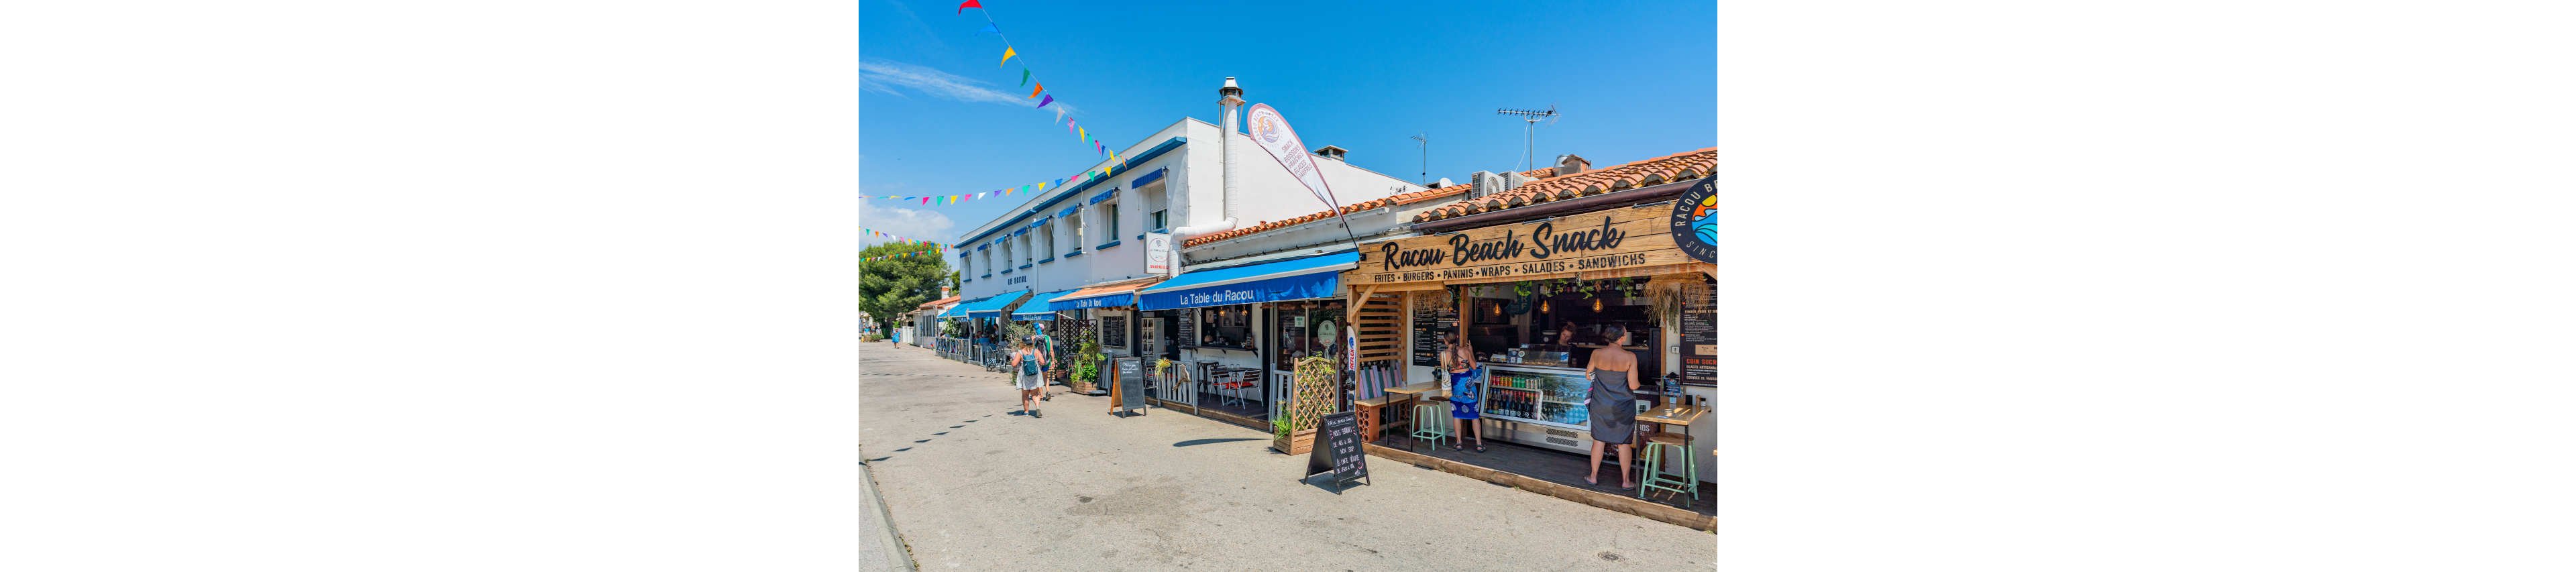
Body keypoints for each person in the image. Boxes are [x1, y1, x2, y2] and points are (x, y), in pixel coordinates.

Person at [1582, 325, 1641, 489]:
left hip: (1600, 405)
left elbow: (1588, 375)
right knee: (1623, 443)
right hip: (1622, 407)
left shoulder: (1597, 354)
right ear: (1622, 337)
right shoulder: (1630, 357)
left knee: (1599, 441)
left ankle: (1593, 477)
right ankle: (1626, 481)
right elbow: (1634, 385)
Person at [1440, 331, 1487, 453]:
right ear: (1456, 339)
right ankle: (1479, 444)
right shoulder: (1465, 350)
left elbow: (1445, 372)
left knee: (1457, 415)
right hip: (1468, 385)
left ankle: (1459, 443)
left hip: (1455, 386)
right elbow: (1474, 366)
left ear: (1446, 341)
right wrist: (1471, 350)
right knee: (1474, 416)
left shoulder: (1443, 355)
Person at [1008, 337, 1049, 417]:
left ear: (1022, 343)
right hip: (1035, 375)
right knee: (1035, 394)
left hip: (1025, 375)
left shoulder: (1020, 352)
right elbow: (1043, 362)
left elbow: (1014, 364)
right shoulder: (1036, 351)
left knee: (1025, 394)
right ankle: (1037, 407)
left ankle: (1026, 412)